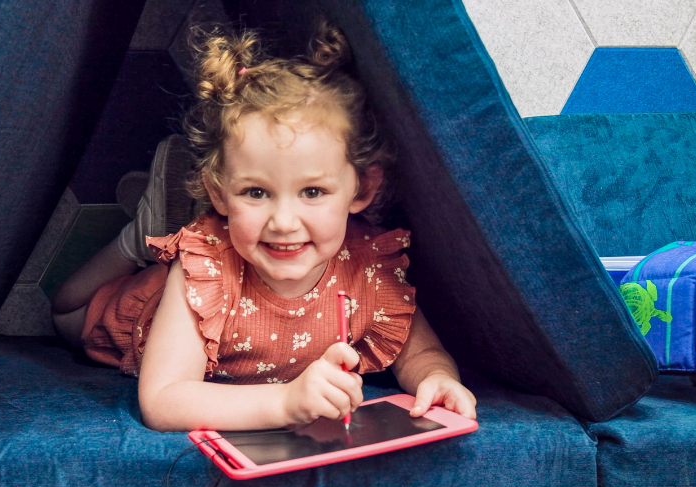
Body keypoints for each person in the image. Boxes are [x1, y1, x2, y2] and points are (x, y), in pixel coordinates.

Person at [51, 23, 476, 432]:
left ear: (361, 189)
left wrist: (435, 379)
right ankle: (138, 236)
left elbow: (419, 350)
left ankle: (165, 226)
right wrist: (285, 403)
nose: (284, 223)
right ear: (218, 193)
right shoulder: (206, 271)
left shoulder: (368, 264)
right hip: (130, 313)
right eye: (256, 192)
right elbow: (162, 401)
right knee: (65, 309)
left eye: (312, 192)